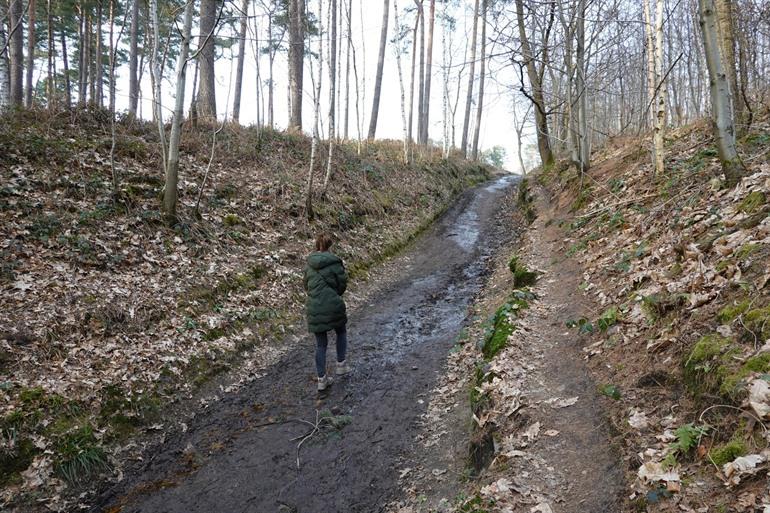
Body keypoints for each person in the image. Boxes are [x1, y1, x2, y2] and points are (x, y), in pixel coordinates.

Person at [303, 233, 351, 391]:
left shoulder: (309, 264)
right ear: (330, 245)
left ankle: (322, 379)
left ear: (317, 246)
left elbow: (306, 286)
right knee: (341, 331)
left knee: (321, 344)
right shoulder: (335, 262)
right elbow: (342, 284)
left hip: (314, 307)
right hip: (333, 305)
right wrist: (334, 295)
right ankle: (341, 365)